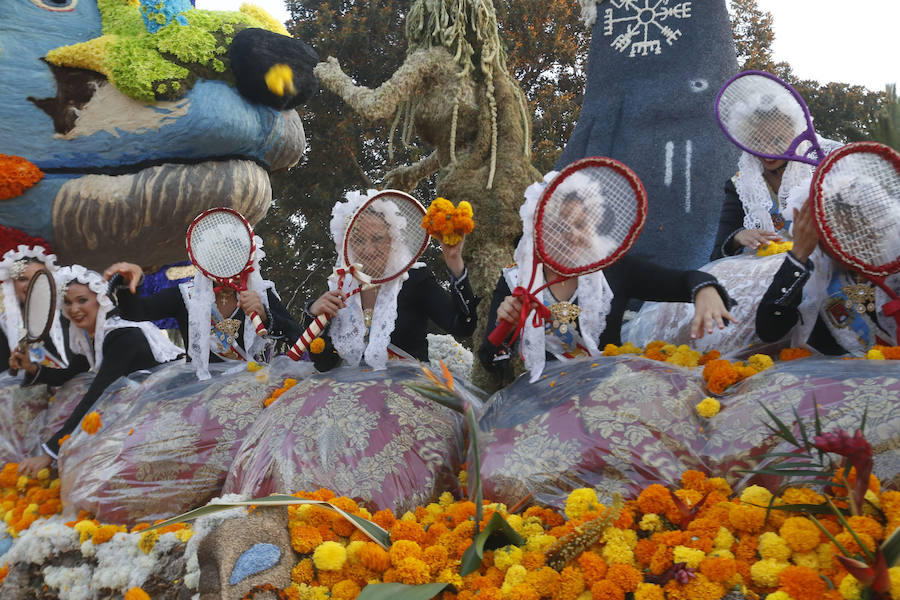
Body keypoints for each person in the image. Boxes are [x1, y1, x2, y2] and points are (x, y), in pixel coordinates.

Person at [479, 173, 736, 382]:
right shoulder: (516, 282)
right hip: (545, 403)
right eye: (559, 226)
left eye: (580, 225)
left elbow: (684, 281)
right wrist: (507, 328)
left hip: (610, 394)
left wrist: (705, 290)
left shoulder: (612, 271)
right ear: (538, 231)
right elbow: (491, 361)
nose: (572, 235)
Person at [15, 266, 183, 476]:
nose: (74, 309)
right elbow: (69, 375)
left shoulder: (122, 335)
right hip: (141, 410)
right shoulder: (93, 336)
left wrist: (50, 452)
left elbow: (97, 394)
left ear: (101, 299)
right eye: (67, 302)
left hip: (170, 409)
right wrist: (32, 367)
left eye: (82, 300)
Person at [305, 190, 477, 371]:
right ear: (347, 244)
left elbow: (463, 327)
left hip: (408, 390)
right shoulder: (341, 287)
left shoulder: (414, 278)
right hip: (350, 392)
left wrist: (455, 262)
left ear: (393, 240)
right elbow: (324, 364)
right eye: (359, 240)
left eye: (378, 239)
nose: (368, 250)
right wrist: (313, 314)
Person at [103, 235, 302, 379]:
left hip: (256, 392)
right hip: (201, 397)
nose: (224, 265)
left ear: (246, 261)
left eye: (232, 258)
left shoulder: (261, 294)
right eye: (217, 258)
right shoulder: (186, 296)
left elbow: (296, 337)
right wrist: (125, 283)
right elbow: (135, 312)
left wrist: (265, 317)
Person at [756, 194, 899, 354]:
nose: (855, 244)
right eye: (838, 235)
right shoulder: (814, 276)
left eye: (859, 231)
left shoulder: (894, 271)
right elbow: (769, 331)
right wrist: (798, 255)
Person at [1, 245, 68, 371]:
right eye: (22, 279)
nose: (31, 285)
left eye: (37, 279)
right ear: (12, 284)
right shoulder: (4, 321)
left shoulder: (67, 314)